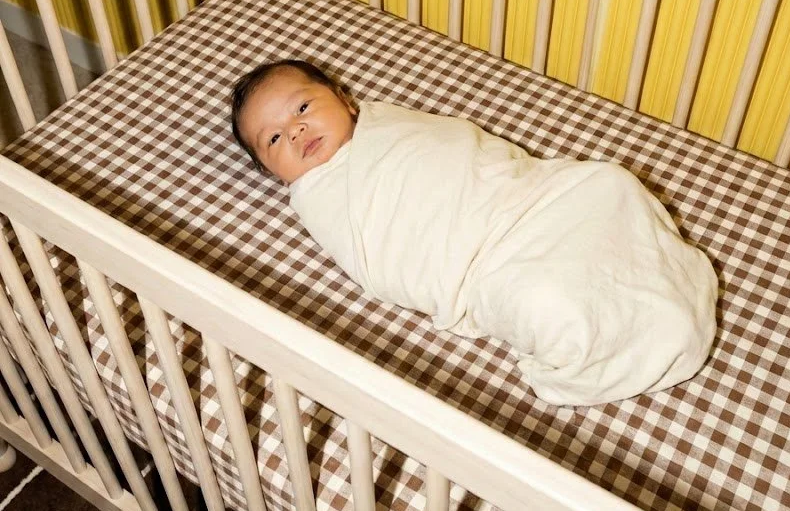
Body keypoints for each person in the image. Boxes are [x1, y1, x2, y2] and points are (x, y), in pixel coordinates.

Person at [231, 59, 718, 406]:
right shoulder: (319, 195)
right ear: (273, 173)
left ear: (343, 98)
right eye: (273, 139)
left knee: (610, 183)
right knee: (545, 300)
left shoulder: (390, 123)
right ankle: (630, 334)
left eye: (301, 108)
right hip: (481, 261)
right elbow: (383, 258)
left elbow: (466, 149)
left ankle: (657, 283)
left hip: (528, 198)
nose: (294, 132)